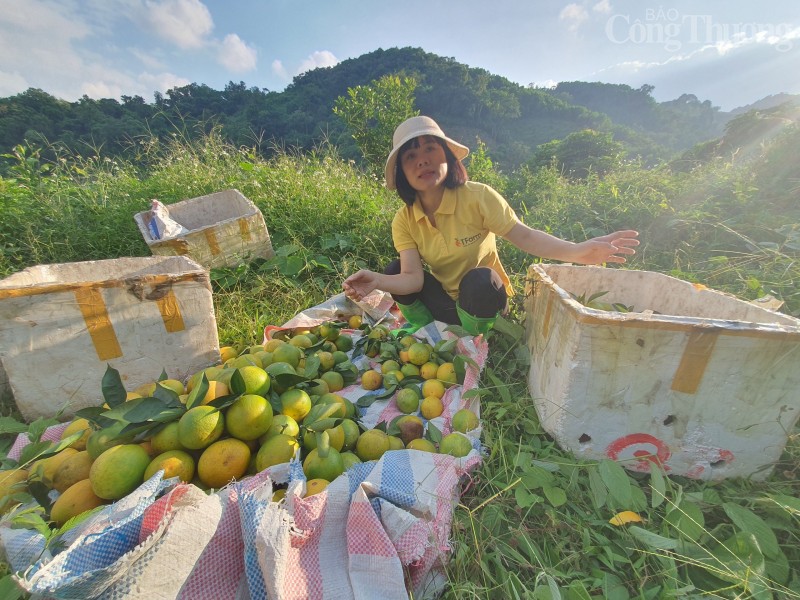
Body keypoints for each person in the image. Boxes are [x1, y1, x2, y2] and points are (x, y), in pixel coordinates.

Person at [342, 116, 639, 335]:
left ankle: (475, 337)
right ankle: (427, 331)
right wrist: (378, 281)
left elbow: (525, 236)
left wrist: (578, 252)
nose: (422, 160)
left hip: (483, 303)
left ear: (446, 156)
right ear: (403, 173)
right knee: (394, 269)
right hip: (447, 302)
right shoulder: (404, 220)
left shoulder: (477, 197)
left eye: (430, 149)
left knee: (481, 279)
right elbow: (412, 280)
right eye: (411, 156)